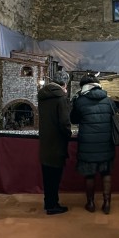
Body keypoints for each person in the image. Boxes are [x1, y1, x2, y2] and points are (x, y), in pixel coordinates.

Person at [70, 75, 115, 214]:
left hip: (87, 145)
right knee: (106, 173)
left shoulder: (80, 101)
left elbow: (74, 119)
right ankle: (107, 203)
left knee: (89, 175)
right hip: (106, 143)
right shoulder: (108, 100)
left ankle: (90, 203)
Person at [37, 70, 72, 215]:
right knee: (55, 176)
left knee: (47, 176)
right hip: (57, 142)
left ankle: (49, 202)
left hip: (45, 141)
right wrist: (68, 133)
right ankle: (53, 205)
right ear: (64, 84)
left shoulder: (42, 95)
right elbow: (64, 121)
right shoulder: (61, 98)